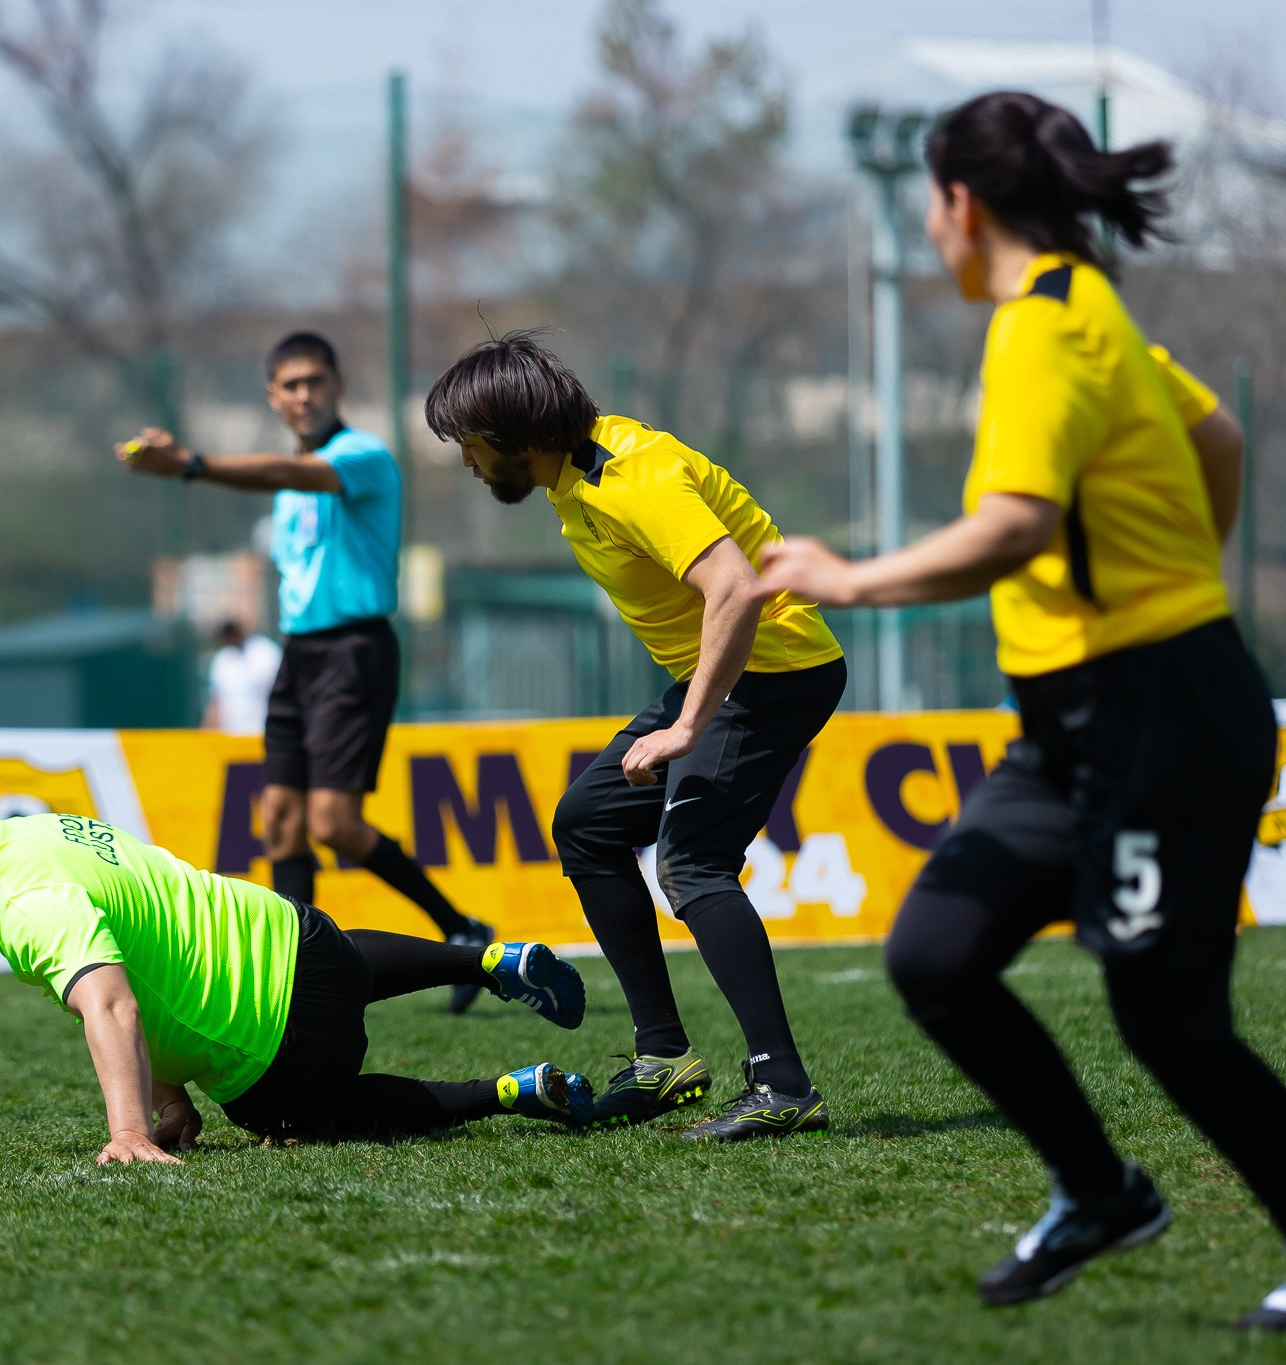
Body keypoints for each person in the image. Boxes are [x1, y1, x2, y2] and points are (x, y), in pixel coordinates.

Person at [755, 90, 1286, 1328]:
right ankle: (1098, 1193)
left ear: (959, 202)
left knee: (1167, 1022)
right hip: (1076, 728)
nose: (927, 226)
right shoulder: (1079, 305)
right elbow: (1215, 438)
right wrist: (1175, 569)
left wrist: (845, 579)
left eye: (927, 203)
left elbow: (1011, 528)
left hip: (1160, 718)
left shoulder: (1041, 329)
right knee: (933, 957)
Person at [423, 332, 844, 1142]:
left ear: (515, 432)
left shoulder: (628, 479)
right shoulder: (577, 475)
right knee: (587, 823)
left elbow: (736, 587)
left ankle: (783, 1085)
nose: (466, 460)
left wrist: (688, 726)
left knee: (692, 863)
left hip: (777, 670)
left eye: (470, 442)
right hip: (727, 674)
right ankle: (664, 1059)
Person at [0, 777, 596, 1158]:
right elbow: (150, 940)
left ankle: (509, 1090)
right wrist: (172, 1097)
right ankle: (488, 960)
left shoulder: (20, 902)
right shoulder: (41, 830)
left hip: (278, 1048)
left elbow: (111, 1002)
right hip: (300, 933)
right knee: (341, 962)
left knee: (305, 1123)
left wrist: (130, 1130)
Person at [119, 332, 496, 1014]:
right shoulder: (290, 484)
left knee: (334, 822)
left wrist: (191, 464)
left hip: (354, 649)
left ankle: (460, 927)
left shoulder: (361, 456)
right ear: (273, 396)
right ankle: (301, 974)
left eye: (315, 381)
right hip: (299, 654)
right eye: (290, 385)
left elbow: (293, 474)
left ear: (338, 385)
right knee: (282, 824)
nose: (304, 395)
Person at [204, 619, 282, 736]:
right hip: (231, 737)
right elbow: (216, 705)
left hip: (262, 734)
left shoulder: (267, 653)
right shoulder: (221, 660)